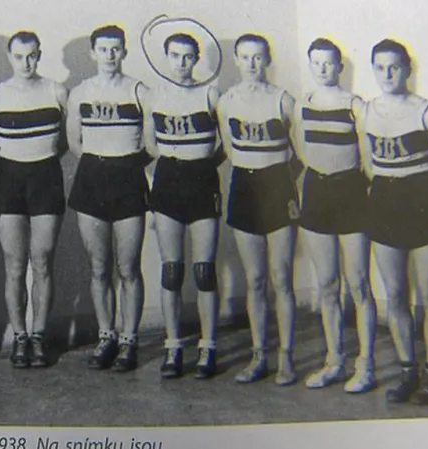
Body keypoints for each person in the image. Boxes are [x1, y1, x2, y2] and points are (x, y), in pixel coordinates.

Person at [360, 39, 428, 405]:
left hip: (421, 202)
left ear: (408, 69)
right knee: (395, 294)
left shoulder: (427, 112)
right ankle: (408, 371)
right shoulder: (367, 112)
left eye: (394, 66)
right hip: (384, 202)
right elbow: (368, 164)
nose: (388, 74)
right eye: (380, 67)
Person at [67, 25, 150, 371]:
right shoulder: (80, 93)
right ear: (93, 53)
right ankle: (107, 336)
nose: (110, 55)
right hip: (91, 179)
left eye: (116, 48)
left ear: (124, 52)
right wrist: (101, 162)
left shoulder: (138, 91)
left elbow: (151, 143)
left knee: (128, 267)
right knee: (99, 267)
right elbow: (75, 143)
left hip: (128, 178)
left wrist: (123, 164)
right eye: (103, 49)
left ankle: (129, 340)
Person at [216, 34, 299, 385]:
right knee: (255, 279)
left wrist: (281, 183)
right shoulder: (226, 102)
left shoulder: (283, 100)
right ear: (236, 60)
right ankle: (259, 355)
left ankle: (287, 358)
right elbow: (230, 150)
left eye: (258, 57)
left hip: (277, 186)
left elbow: (300, 152)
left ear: (267, 60)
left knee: (281, 277)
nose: (252, 64)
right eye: (245, 57)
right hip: (245, 187)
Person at [295, 38, 376, 393]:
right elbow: (302, 150)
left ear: (340, 67)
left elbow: (369, 159)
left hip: (351, 192)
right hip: (317, 193)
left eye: (329, 63)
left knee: (358, 282)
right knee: (327, 283)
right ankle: (334, 361)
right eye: (316, 63)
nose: (323, 69)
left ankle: (366, 366)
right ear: (310, 65)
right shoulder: (303, 104)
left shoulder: (355, 105)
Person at [143, 33, 221, 379]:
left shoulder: (210, 94)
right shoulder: (155, 96)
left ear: (197, 59)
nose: (181, 63)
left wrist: (200, 164)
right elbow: (150, 145)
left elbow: (225, 143)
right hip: (168, 181)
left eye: (188, 56)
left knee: (204, 271)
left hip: (202, 180)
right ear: (166, 57)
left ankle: (208, 347)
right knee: (172, 270)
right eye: (175, 55)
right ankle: (173, 345)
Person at [0, 31, 68, 368]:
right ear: (9, 57)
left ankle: (38, 335)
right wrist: (15, 164)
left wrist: (41, 160)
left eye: (32, 56)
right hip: (9, 179)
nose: (26, 63)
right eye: (19, 57)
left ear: (40, 55)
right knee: (14, 264)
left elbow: (66, 139)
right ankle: (19, 337)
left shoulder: (56, 91)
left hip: (46, 177)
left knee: (42, 260)